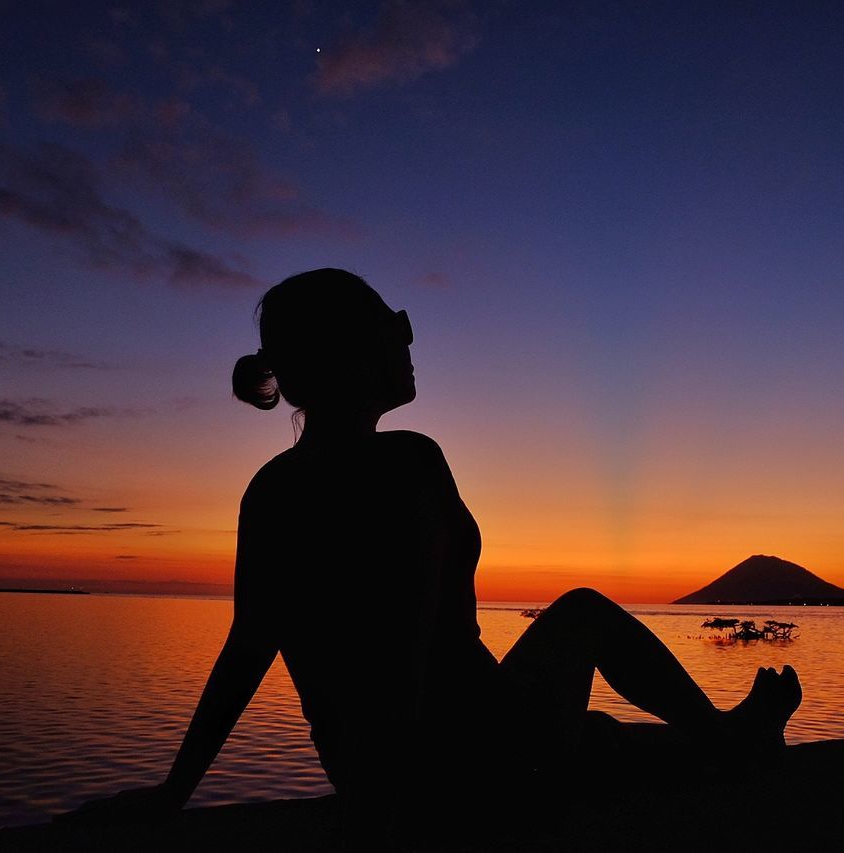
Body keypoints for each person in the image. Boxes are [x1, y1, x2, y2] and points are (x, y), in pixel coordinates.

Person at [66, 268, 801, 836]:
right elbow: (411, 645)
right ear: (354, 353)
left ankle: (731, 735)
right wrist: (422, 800)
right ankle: (732, 743)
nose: (411, 341)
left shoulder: (270, 491)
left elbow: (247, 647)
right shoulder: (411, 463)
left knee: (600, 738)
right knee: (582, 615)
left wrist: (175, 790)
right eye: (397, 326)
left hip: (372, 771)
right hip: (458, 765)